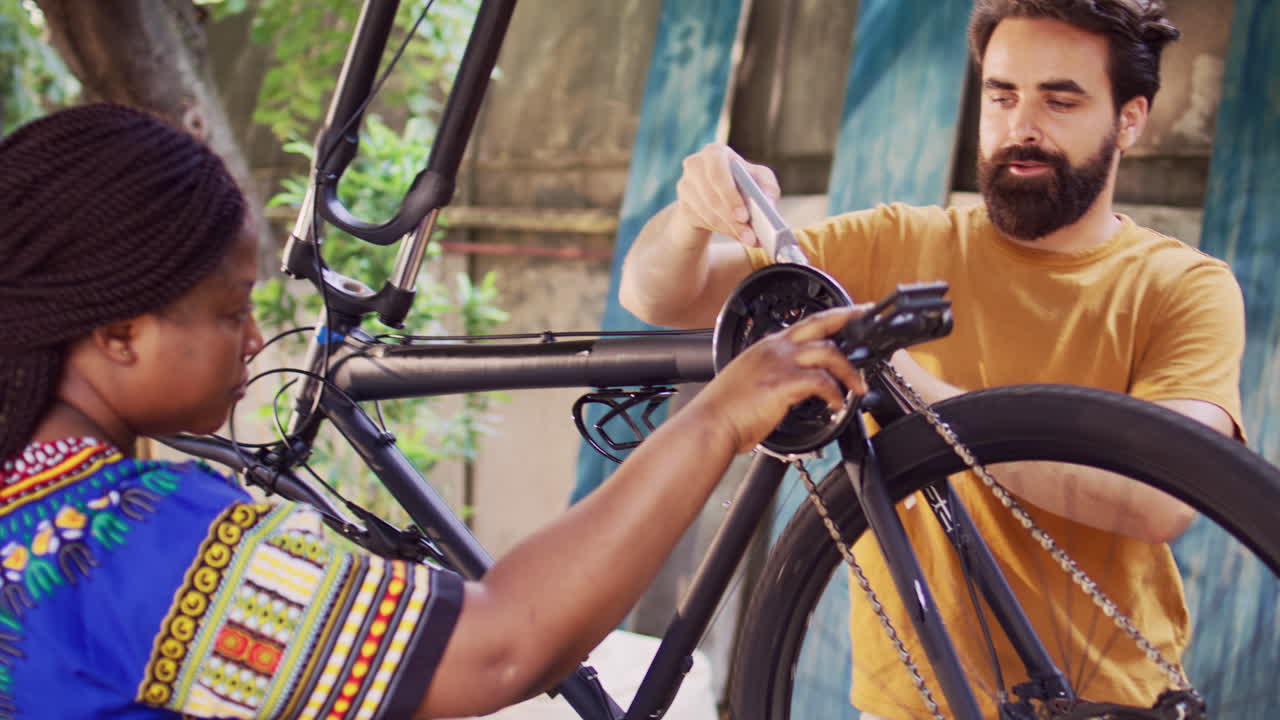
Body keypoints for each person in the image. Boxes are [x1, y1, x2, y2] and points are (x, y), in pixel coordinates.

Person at [0, 102, 867, 719]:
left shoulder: (29, 509)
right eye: (231, 311)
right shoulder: (147, 543)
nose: (255, 335)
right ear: (117, 334)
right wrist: (716, 419)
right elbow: (501, 648)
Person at [619, 0, 1244, 717]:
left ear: (1130, 119)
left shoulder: (1182, 287)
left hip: (1102, 699)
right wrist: (690, 215)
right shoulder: (893, 243)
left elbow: (1167, 495)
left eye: (1060, 100)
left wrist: (918, 394)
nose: (1022, 127)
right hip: (909, 704)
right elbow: (658, 292)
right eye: (1002, 95)